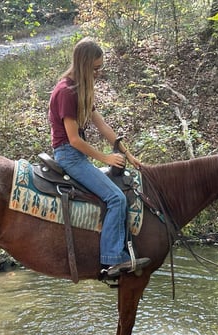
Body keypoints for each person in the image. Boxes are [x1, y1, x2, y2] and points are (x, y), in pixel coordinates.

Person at [49, 37, 150, 279]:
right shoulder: (66, 92)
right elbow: (73, 139)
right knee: (115, 198)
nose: (98, 74)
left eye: (100, 68)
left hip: (76, 154)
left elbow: (102, 125)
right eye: (95, 69)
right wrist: (105, 158)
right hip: (69, 155)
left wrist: (127, 154)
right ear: (83, 66)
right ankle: (112, 260)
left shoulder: (81, 89)